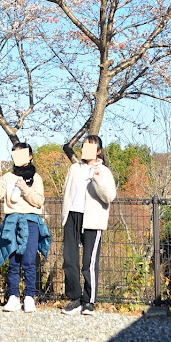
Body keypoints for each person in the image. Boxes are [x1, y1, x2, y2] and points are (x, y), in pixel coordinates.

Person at [0, 142, 51, 313]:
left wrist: (25, 189)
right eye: (15, 154)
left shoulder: (36, 178)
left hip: (31, 221)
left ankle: (30, 296)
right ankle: (14, 297)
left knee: (29, 260)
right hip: (11, 221)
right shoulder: (8, 177)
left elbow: (39, 201)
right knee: (14, 261)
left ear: (30, 156)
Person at [61, 135, 116, 316]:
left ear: (98, 151)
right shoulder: (74, 168)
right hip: (72, 217)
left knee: (89, 263)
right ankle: (74, 299)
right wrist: (65, 214)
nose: (86, 149)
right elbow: (67, 192)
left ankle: (89, 301)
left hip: (92, 219)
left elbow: (109, 197)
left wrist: (97, 179)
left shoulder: (104, 171)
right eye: (84, 146)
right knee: (69, 260)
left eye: (91, 147)